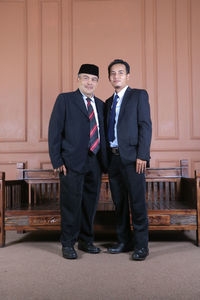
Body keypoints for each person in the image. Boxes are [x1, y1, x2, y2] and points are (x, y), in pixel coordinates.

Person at [48, 64, 107, 259]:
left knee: (90, 204)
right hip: (70, 163)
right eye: (86, 78)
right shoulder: (65, 100)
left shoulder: (100, 104)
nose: (90, 82)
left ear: (97, 82)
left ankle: (86, 241)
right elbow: (54, 132)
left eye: (94, 79)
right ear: (78, 79)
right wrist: (57, 161)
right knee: (70, 204)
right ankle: (67, 243)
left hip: (95, 161)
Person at [105, 59, 152, 261]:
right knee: (120, 203)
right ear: (109, 78)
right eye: (113, 73)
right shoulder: (108, 102)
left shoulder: (138, 95)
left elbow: (145, 126)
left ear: (128, 76)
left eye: (121, 73)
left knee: (137, 203)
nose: (117, 76)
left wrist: (143, 155)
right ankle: (124, 241)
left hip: (134, 159)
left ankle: (142, 246)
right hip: (114, 159)